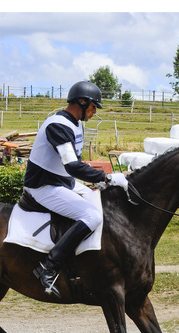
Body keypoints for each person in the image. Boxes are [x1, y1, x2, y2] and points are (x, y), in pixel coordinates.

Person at [26, 81, 128, 297]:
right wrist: (106, 177)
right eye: (93, 107)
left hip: (63, 182)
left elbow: (76, 164)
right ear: (82, 102)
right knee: (91, 215)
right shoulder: (58, 126)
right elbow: (72, 165)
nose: (94, 112)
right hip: (43, 186)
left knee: (98, 201)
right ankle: (48, 266)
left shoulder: (76, 124)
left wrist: (99, 182)